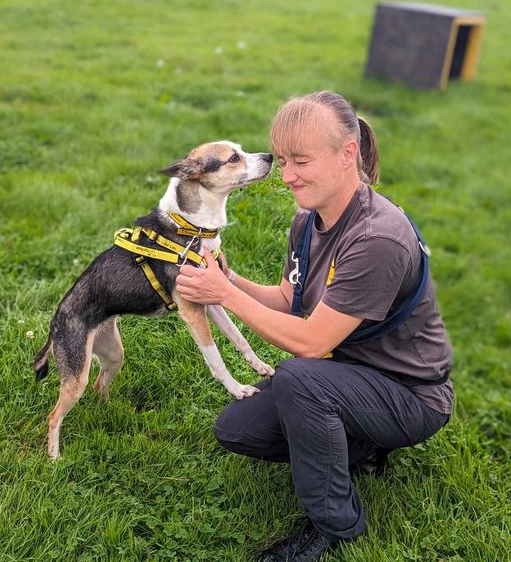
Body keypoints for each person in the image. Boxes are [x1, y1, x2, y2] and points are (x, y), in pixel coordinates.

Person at [175, 91, 453, 562]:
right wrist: (229, 279)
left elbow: (310, 342)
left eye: (301, 161)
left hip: (411, 395)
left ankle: (336, 524)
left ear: (347, 153)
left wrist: (223, 295)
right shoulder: (307, 221)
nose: (286, 176)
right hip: (350, 372)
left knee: (299, 380)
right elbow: (290, 300)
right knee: (238, 429)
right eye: (283, 161)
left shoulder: (377, 238)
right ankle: (362, 448)